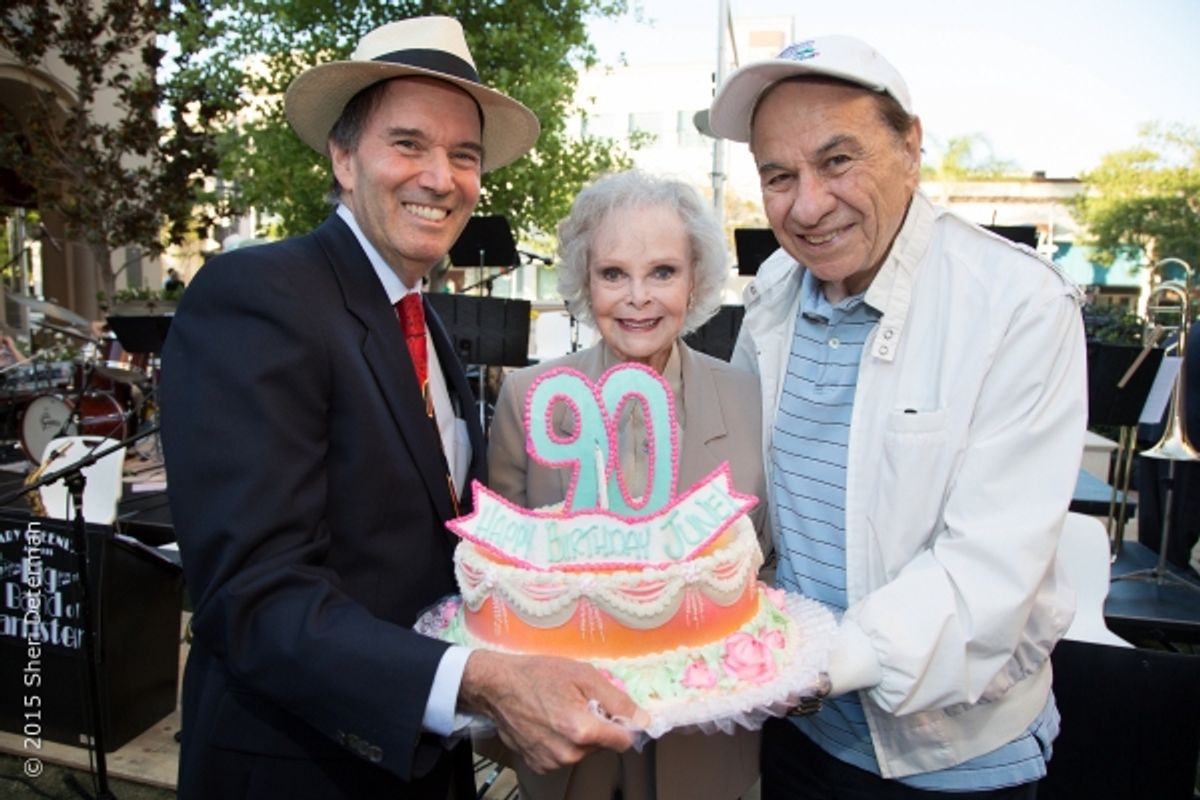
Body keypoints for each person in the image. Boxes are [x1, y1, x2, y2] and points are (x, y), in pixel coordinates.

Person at [160, 17, 642, 800]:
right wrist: (479, 680)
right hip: (299, 772)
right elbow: (254, 596)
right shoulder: (258, 296)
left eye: (464, 156)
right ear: (343, 159)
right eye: (409, 144)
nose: (440, 177)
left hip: (422, 762)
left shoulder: (423, 322)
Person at [707, 35, 1087, 798]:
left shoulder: (1016, 304)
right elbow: (749, 495)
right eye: (778, 176)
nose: (807, 206)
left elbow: (989, 565)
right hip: (795, 731)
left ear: (910, 146)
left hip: (949, 759)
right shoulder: (777, 287)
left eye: (838, 160)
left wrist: (818, 665)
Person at [486, 170, 768, 800]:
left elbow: (764, 572)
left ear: (695, 279)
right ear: (585, 281)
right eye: (614, 273)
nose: (638, 297)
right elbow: (501, 585)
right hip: (571, 754)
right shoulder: (526, 398)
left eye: (663, 271)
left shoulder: (751, 401)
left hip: (706, 751)